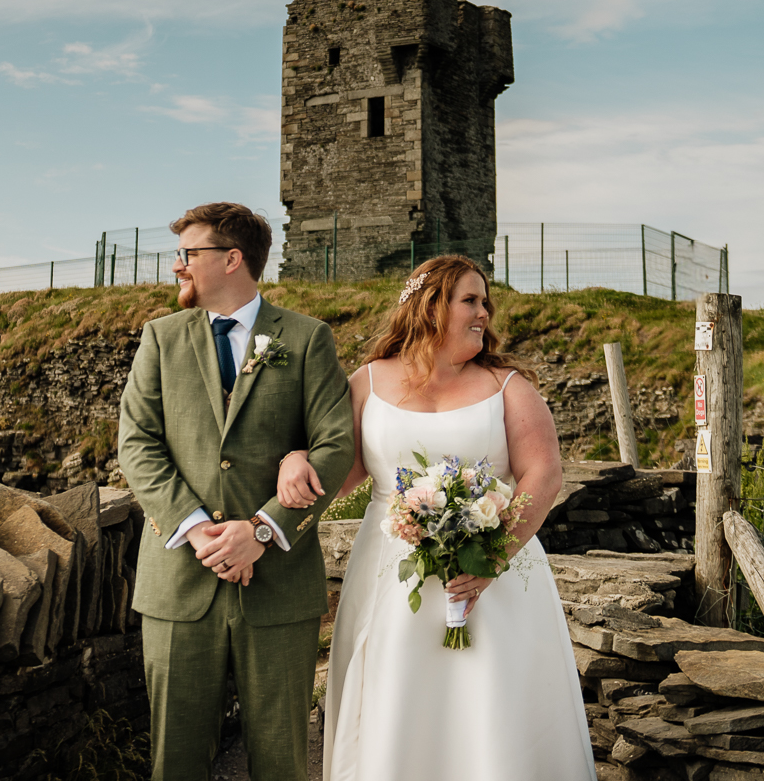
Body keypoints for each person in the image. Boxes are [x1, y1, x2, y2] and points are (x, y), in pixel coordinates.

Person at [278, 255, 596, 781]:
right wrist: (295, 460)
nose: (484, 312)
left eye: (485, 301)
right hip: (389, 570)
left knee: (491, 701)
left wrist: (493, 557)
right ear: (430, 307)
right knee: (398, 693)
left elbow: (543, 476)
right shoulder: (367, 382)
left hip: (495, 572)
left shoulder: (508, 385)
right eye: (470, 300)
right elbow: (340, 473)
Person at [117, 202, 355, 781]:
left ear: (231, 260)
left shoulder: (305, 338)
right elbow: (137, 443)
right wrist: (199, 529)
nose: (178, 266)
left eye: (188, 254)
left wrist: (261, 531)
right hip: (178, 583)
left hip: (279, 587)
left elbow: (335, 446)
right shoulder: (160, 338)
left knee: (282, 761)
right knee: (175, 762)